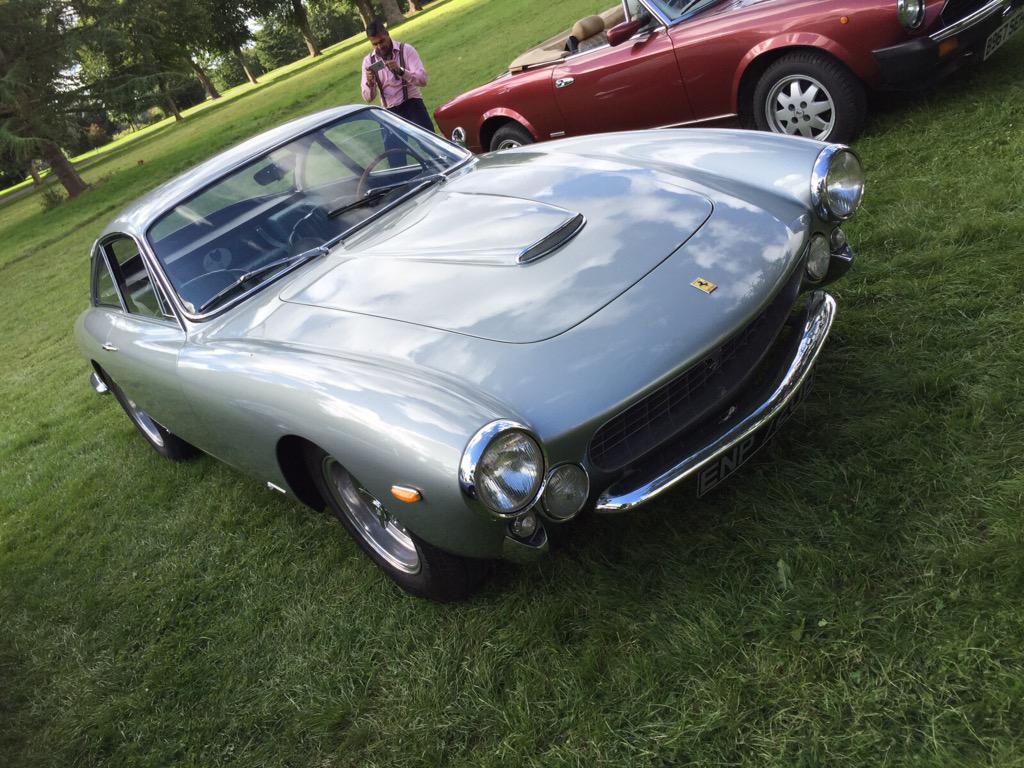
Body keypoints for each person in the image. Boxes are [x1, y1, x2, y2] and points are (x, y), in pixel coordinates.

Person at [360, 19, 434, 133]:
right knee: (394, 150)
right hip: (389, 111)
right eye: (375, 44)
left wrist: (401, 71)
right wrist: (370, 83)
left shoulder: (406, 50)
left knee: (430, 144)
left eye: (382, 41)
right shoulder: (368, 61)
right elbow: (368, 98)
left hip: (412, 104)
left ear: (387, 34)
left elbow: (423, 80)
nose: (379, 47)